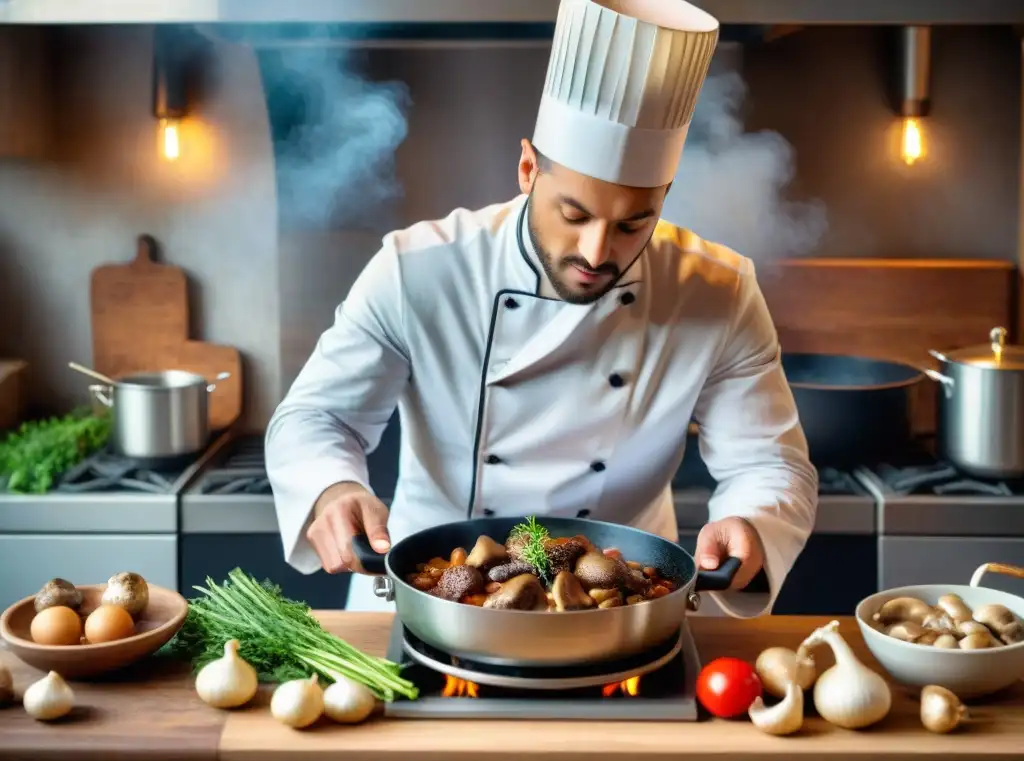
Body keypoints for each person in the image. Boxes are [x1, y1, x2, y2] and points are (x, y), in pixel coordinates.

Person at [265, 0, 819, 618]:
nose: (597, 252)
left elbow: (768, 462)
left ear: (664, 196)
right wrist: (333, 487)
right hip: (428, 596)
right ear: (528, 168)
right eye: (574, 215)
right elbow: (316, 417)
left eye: (635, 223)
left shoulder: (718, 290)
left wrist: (749, 521)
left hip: (625, 602)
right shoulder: (418, 268)